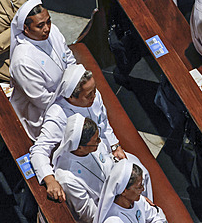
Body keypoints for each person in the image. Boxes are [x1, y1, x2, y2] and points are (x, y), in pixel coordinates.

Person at [30, 64, 136, 204]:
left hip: (104, 153)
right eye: (88, 95)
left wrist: (114, 145)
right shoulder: (57, 115)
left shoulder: (94, 95)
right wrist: (49, 179)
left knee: (138, 175)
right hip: (81, 163)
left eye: (94, 90)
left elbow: (102, 121)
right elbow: (39, 151)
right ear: (72, 97)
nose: (94, 96)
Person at [9, 0, 77, 140]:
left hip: (69, 96)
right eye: (40, 26)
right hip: (45, 112)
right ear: (26, 29)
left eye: (48, 22)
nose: (47, 28)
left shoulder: (53, 32)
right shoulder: (23, 61)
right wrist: (74, 102)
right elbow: (42, 101)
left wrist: (77, 86)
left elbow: (69, 59)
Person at [53, 114, 115, 223]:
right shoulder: (68, 178)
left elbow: (111, 163)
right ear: (79, 147)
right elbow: (90, 215)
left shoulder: (95, 146)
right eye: (96, 141)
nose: (100, 142)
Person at [94, 160, 166, 223]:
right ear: (124, 191)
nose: (143, 189)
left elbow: (157, 216)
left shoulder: (140, 201)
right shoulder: (113, 220)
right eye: (138, 187)